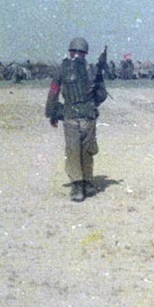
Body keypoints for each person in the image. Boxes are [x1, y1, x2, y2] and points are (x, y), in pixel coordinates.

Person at [45, 37, 107, 202]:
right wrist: (91, 103)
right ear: (85, 53)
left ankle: (77, 186)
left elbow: (53, 93)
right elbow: (102, 94)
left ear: (70, 52)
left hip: (70, 116)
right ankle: (87, 183)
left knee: (72, 151)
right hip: (88, 117)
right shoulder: (92, 70)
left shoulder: (62, 69)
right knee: (87, 151)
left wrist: (51, 113)